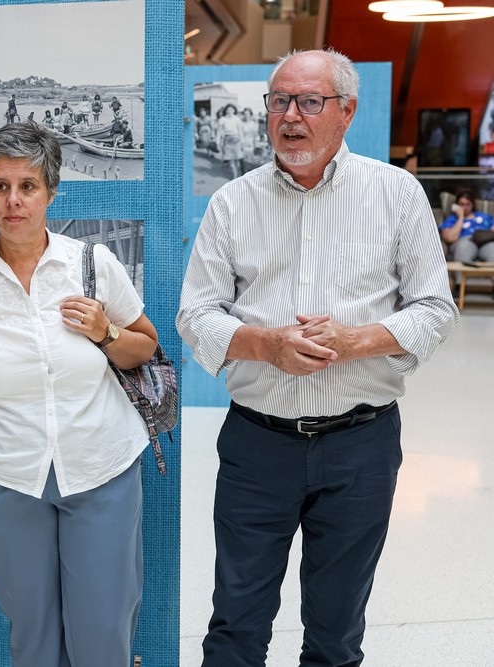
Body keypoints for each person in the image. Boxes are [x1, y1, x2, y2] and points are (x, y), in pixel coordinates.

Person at [177, 49, 458, 667]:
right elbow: (194, 315)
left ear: (346, 111)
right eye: (279, 101)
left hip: (361, 445)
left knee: (335, 635)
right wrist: (267, 346)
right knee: (235, 626)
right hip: (258, 447)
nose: (290, 116)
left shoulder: (396, 194)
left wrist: (355, 340)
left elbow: (435, 310)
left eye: (309, 101)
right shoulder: (233, 203)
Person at [0, 120, 158, 667]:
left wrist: (105, 331)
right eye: (0, 186)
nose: (14, 201)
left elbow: (145, 348)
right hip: (7, 480)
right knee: (32, 635)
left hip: (101, 469)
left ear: (51, 192)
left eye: (28, 186)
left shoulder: (92, 265)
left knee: (103, 632)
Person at [439, 187, 494, 263]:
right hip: (465, 240)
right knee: (464, 248)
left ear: (472, 205)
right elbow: (449, 238)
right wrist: (460, 217)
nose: (465, 207)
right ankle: (462, 275)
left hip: (485, 241)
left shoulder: (484, 216)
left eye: (468, 204)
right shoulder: (452, 219)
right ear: (457, 205)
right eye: (462, 204)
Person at [216, 103, 244, 179]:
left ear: (234, 110)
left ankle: (239, 177)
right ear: (226, 110)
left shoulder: (237, 119)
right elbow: (218, 132)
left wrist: (242, 143)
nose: (230, 111)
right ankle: (235, 177)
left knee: (238, 161)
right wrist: (217, 143)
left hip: (236, 140)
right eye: (228, 109)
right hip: (227, 141)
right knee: (231, 162)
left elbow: (240, 131)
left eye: (232, 109)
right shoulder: (222, 119)